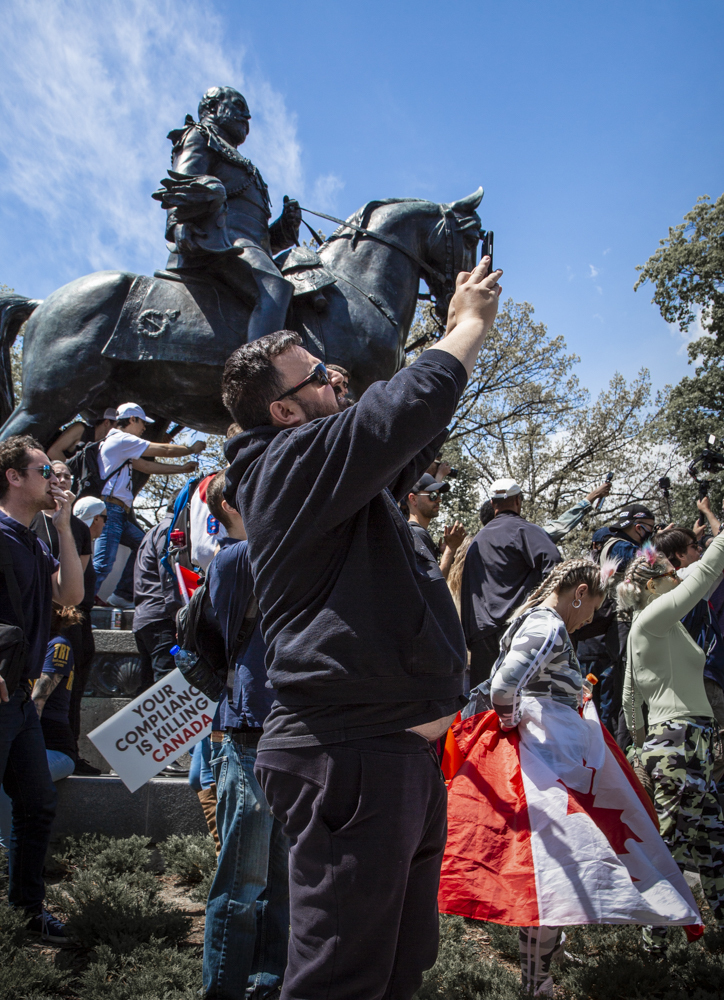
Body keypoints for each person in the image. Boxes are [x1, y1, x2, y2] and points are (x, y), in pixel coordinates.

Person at [220, 256, 502, 1000]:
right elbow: (395, 415)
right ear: (283, 412)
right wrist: (467, 327)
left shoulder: (328, 477)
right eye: (318, 376)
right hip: (347, 757)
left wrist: (442, 343)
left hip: (387, 755)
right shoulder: (285, 464)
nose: (336, 377)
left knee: (398, 970)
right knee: (340, 983)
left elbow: (407, 437)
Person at [439, 557, 700, 997]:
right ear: (580, 593)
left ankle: (548, 957)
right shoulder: (547, 624)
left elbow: (523, 683)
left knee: (559, 860)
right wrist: (515, 721)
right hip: (544, 762)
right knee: (551, 867)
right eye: (592, 608)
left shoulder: (536, 620)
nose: (590, 620)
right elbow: (504, 687)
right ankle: (537, 981)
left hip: (547, 760)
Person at [203, 470, 289, 1000]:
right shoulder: (237, 557)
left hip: (279, 730)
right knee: (243, 881)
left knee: (279, 882)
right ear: (234, 506)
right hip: (249, 731)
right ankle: (225, 990)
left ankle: (268, 984)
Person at [620, 533, 724, 952]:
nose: (677, 576)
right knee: (671, 852)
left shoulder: (649, 627)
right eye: (670, 573)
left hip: (681, 745)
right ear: (652, 584)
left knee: (713, 843)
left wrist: (641, 747)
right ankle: (652, 954)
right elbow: (706, 572)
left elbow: (630, 699)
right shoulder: (654, 618)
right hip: (682, 745)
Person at [0, 435, 83, 943]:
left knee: (37, 802)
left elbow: (70, 593)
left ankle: (26, 913)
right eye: (43, 471)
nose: (54, 479)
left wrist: (64, 526)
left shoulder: (35, 540)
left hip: (19, 699)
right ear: (13, 476)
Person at [154, 86, 302, 344]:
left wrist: (284, 228)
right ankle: (257, 369)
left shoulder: (247, 167)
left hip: (245, 248)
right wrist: (178, 223)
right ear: (213, 108)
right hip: (217, 241)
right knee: (274, 287)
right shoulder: (200, 135)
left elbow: (259, 238)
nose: (247, 116)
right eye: (238, 106)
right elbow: (183, 183)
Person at [92, 403, 204, 608]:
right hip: (111, 509)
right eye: (142, 422)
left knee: (142, 545)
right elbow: (163, 449)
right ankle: (79, 605)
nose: (144, 427)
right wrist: (190, 449)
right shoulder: (121, 439)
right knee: (103, 564)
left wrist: (182, 469)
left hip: (118, 512)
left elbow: (145, 466)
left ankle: (122, 595)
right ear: (132, 419)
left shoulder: (119, 445)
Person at [31, 467, 99, 774]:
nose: (60, 481)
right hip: (33, 617)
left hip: (67, 619)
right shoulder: (27, 521)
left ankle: (69, 748)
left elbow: (73, 586)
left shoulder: (78, 529)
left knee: (71, 689)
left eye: (66, 477)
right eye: (52, 474)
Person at [461, 478, 561, 688]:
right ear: (518, 500)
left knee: (485, 700)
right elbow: (556, 568)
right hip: (517, 632)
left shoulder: (477, 540)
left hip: (481, 636)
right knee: (521, 699)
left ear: (492, 503)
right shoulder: (524, 530)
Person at [0, 608, 80, 853]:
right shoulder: (28, 646)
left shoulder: (57, 645)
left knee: (5, 781)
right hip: (24, 746)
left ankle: (5, 854)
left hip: (56, 749)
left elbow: (37, 703)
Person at [654, 523, 724, 746]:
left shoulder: (663, 584)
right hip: (704, 676)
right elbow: (718, 553)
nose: (700, 549)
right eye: (694, 546)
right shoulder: (687, 579)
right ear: (679, 555)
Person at [133, 496, 183, 690]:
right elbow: (168, 574)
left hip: (145, 617)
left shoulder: (153, 531)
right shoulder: (169, 530)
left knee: (149, 689)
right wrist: (179, 615)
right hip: (162, 618)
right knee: (168, 686)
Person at [406, 473, 465, 581]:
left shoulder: (412, 531)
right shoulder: (418, 534)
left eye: (438, 495)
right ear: (413, 499)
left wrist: (444, 553)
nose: (438, 500)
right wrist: (450, 549)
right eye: (432, 495)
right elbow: (435, 584)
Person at [47, 408, 117, 461]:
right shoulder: (80, 429)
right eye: (116, 426)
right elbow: (53, 452)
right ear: (107, 423)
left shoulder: (101, 445)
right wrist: (70, 472)